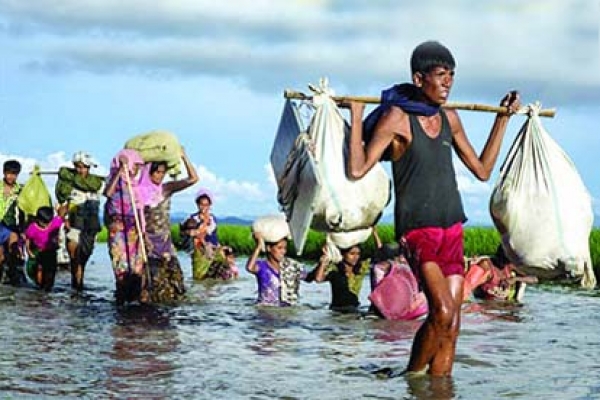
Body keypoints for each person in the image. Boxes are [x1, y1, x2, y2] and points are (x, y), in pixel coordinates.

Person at [343, 40, 521, 376]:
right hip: (418, 229)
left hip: (452, 226)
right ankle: (411, 378)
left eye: (451, 75)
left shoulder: (448, 117)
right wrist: (355, 116)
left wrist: (503, 119)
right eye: (441, 75)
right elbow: (356, 169)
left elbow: (482, 170)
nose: (448, 83)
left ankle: (438, 390)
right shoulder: (397, 118)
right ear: (419, 77)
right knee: (439, 310)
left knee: (452, 321)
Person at [139, 147, 198, 303]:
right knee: (151, 281)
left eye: (163, 172)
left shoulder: (166, 189)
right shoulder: (138, 192)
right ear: (149, 172)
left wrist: (184, 157)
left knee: (176, 280)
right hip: (147, 242)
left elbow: (193, 179)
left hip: (165, 241)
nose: (160, 176)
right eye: (157, 172)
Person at [55, 151, 104, 293]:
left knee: (84, 257)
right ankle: (76, 284)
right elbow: (62, 206)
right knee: (74, 256)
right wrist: (64, 220)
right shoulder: (68, 185)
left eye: (84, 167)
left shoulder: (96, 184)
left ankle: (79, 282)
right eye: (79, 166)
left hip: (90, 226)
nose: (81, 170)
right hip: (74, 224)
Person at [103, 149, 147, 305]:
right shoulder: (115, 180)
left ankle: (135, 300)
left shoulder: (137, 185)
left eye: (138, 167)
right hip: (118, 228)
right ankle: (121, 300)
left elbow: (140, 208)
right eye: (134, 166)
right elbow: (107, 193)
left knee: (137, 267)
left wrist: (143, 230)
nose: (135, 170)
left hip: (134, 229)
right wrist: (121, 170)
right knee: (121, 265)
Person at [246, 229, 307, 307]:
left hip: (285, 311)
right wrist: (258, 246)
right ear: (269, 248)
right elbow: (250, 267)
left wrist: (322, 262)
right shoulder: (262, 267)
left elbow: (309, 277)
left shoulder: (289, 268)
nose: (283, 251)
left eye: (285, 248)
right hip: (266, 311)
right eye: (279, 248)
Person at [307, 238, 370, 312]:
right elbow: (318, 279)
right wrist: (323, 263)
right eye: (352, 254)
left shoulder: (361, 269)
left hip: (354, 308)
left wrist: (374, 232)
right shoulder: (335, 270)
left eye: (358, 254)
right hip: (337, 309)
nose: (355, 257)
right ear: (343, 255)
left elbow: (381, 253)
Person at [463, 245, 538, 302]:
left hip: (503, 309)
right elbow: (466, 288)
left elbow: (534, 279)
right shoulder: (486, 266)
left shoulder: (509, 266)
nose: (503, 262)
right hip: (485, 309)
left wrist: (516, 279)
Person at [180, 188, 220, 280]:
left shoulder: (212, 218)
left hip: (212, 248)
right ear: (198, 205)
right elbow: (185, 232)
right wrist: (190, 233)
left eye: (206, 205)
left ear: (210, 205)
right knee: (200, 274)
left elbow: (211, 233)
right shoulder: (193, 219)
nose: (204, 207)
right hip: (199, 249)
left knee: (214, 275)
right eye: (201, 204)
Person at [24, 205, 66, 291]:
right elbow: (28, 240)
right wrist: (28, 251)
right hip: (38, 251)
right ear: (38, 220)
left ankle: (47, 288)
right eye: (44, 223)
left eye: (48, 223)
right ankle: (40, 286)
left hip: (51, 252)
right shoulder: (33, 228)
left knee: (51, 272)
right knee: (39, 269)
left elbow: (62, 216)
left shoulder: (55, 223)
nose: (47, 225)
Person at [0, 159, 26, 285]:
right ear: (4, 173)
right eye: (8, 173)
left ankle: (13, 277)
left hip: (10, 225)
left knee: (14, 251)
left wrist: (22, 229)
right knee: (0, 257)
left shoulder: (20, 190)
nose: (11, 176)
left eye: (14, 174)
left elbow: (23, 210)